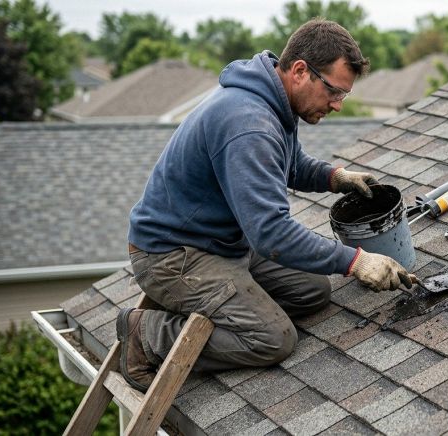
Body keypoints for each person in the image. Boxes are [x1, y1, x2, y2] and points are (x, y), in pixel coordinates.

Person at [119, 18, 414, 392]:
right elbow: (272, 234)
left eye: (344, 95)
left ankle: (229, 308)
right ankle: (146, 335)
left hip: (220, 243)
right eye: (334, 91)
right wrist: (357, 261)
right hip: (174, 255)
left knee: (312, 292)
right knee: (273, 339)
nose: (338, 105)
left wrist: (333, 177)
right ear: (300, 71)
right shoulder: (249, 122)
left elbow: (289, 164)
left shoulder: (272, 103)